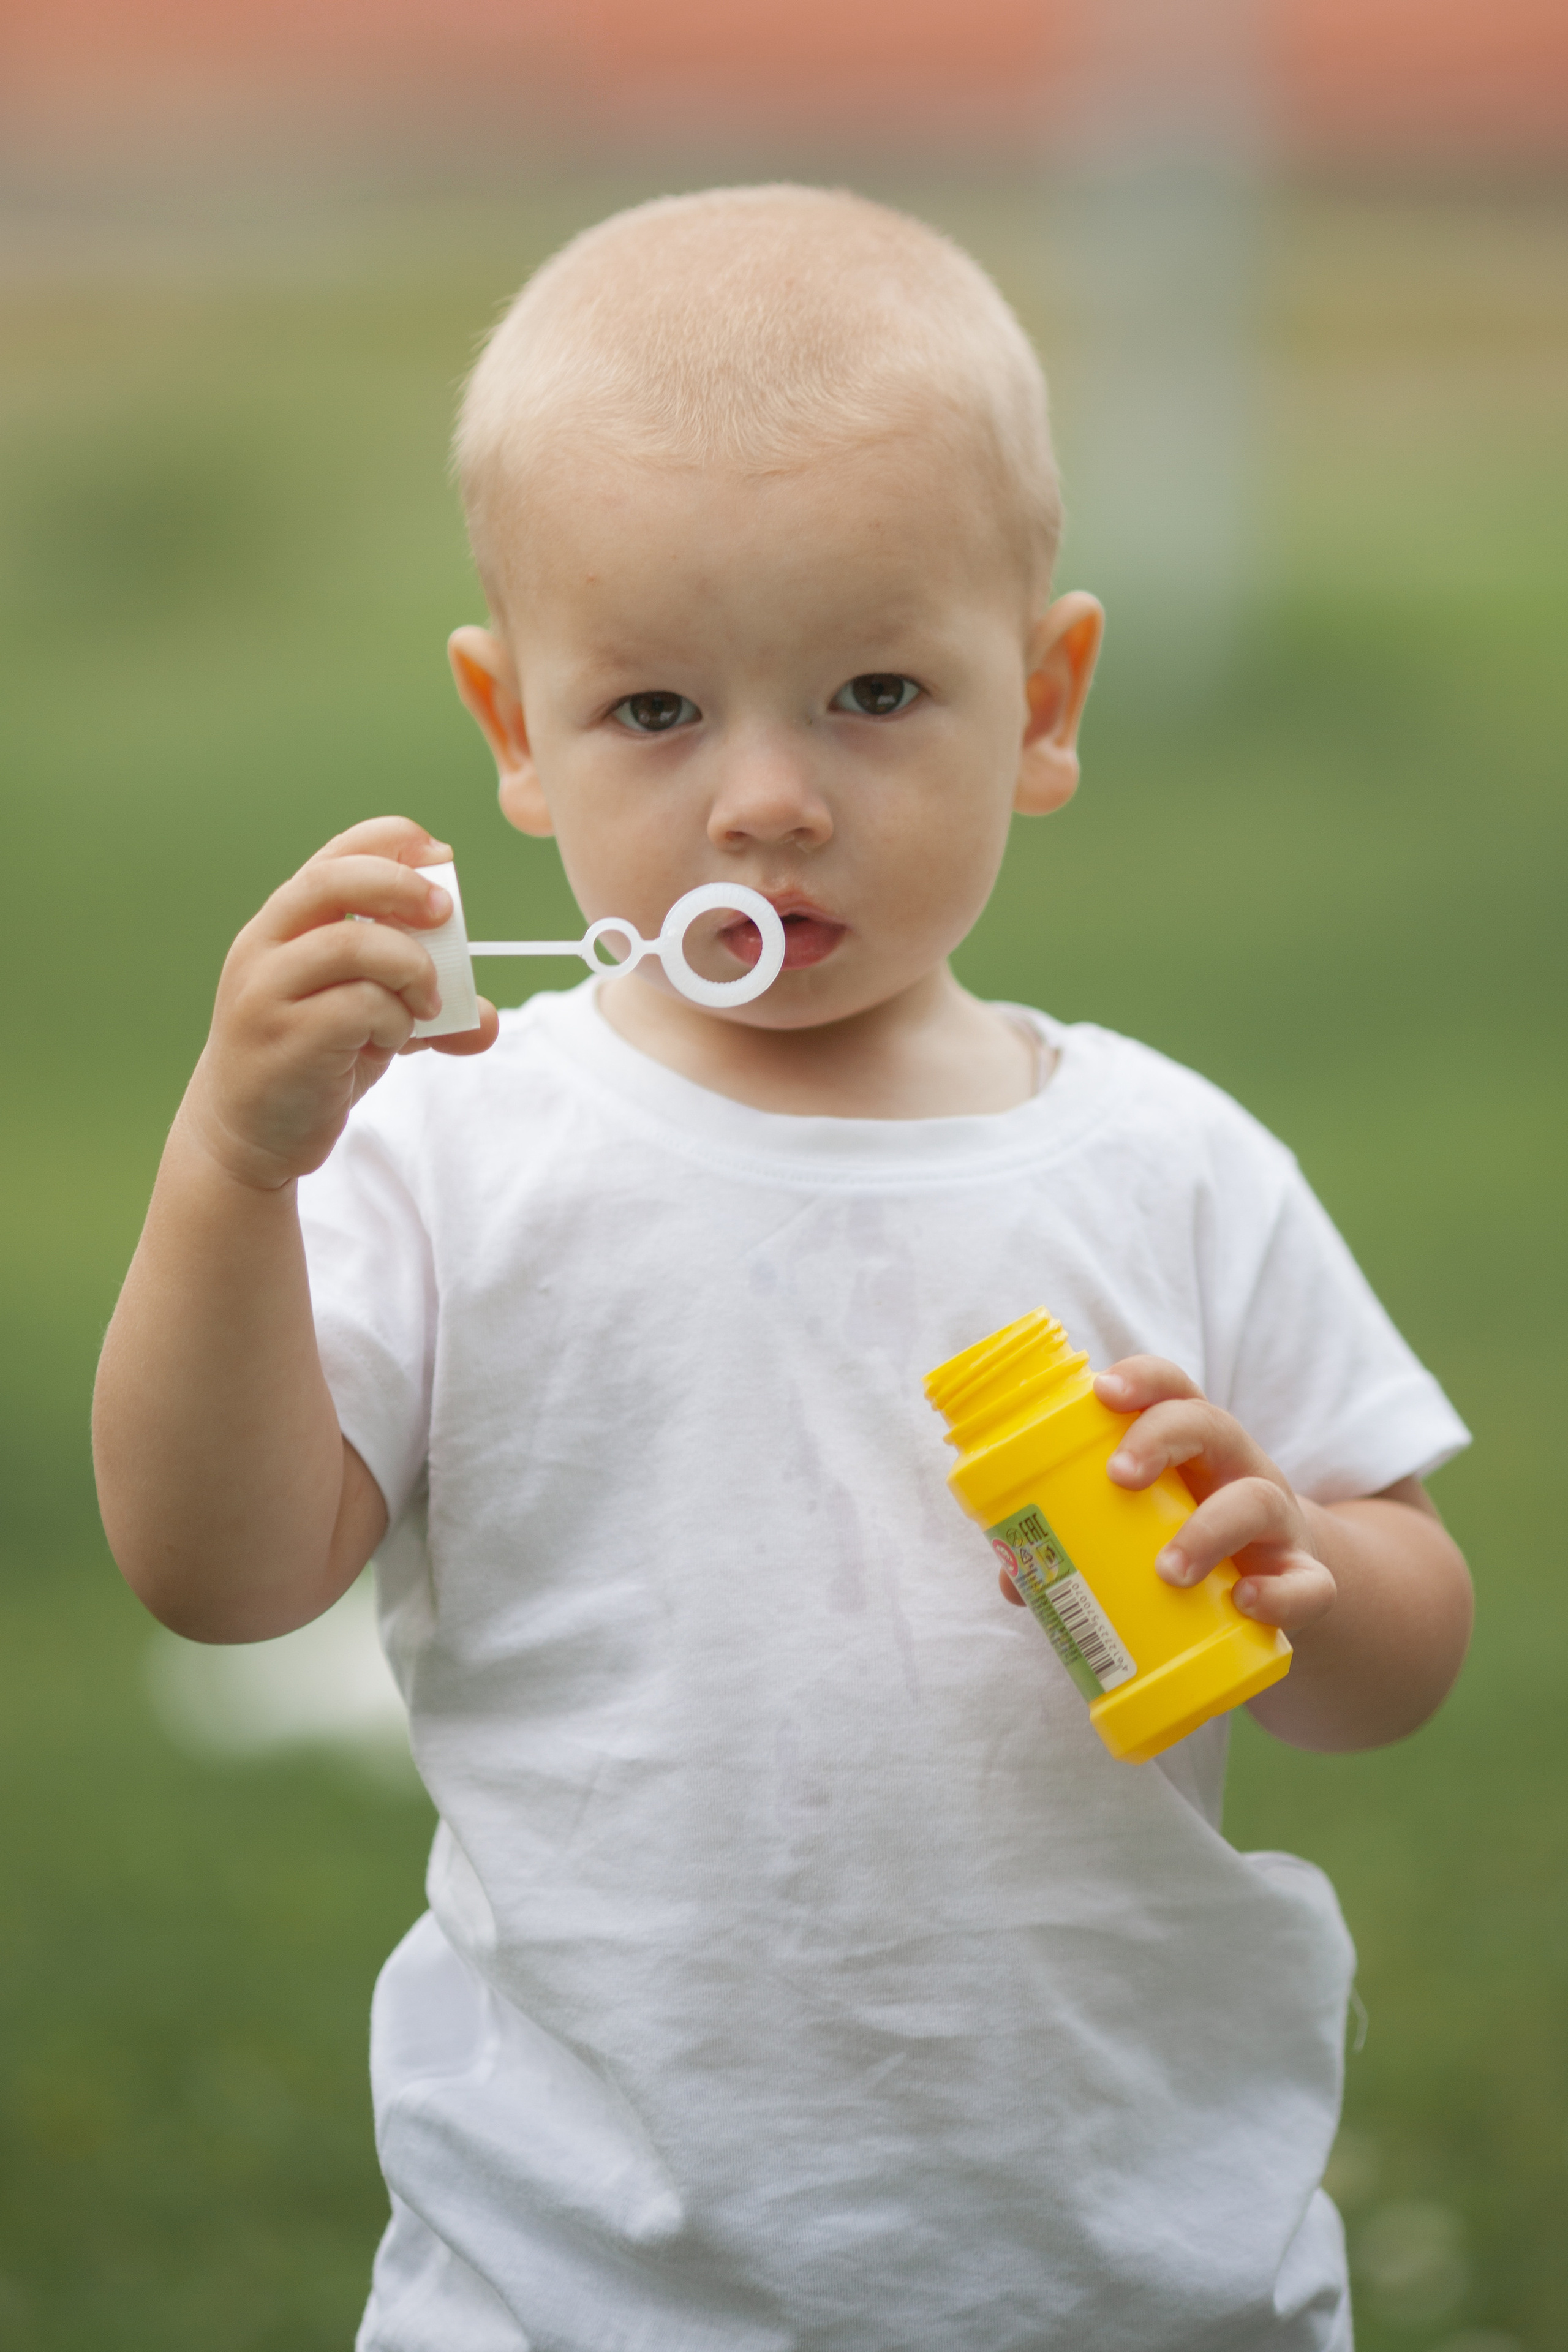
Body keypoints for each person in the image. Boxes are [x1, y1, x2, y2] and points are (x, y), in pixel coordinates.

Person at [92, 186, 1473, 2350]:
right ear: (512, 731)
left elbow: (1403, 1658)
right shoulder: (459, 1143)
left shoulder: (1163, 1160)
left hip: (1124, 2265)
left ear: (1045, 697)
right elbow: (220, 1569)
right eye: (652, 710)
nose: (764, 804)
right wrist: (228, 1176)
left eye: (872, 692)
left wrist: (1298, 1561)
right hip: (568, 2276)